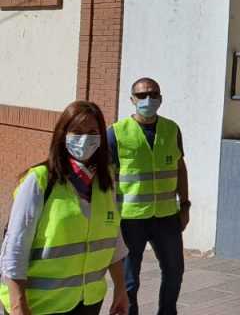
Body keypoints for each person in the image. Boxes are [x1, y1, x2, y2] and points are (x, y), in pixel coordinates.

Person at [0, 101, 130, 315]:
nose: (85, 138)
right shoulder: (40, 180)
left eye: (92, 131)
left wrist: (120, 289)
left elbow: (113, 241)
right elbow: (15, 248)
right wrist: (18, 305)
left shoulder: (105, 182)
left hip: (88, 302)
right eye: (77, 131)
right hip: (39, 305)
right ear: (62, 135)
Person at [108, 78, 189, 315]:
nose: (148, 100)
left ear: (161, 99)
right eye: (141, 95)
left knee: (175, 271)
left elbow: (179, 167)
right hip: (130, 219)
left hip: (166, 217)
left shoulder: (172, 129)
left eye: (153, 95)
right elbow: (107, 178)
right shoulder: (115, 133)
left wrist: (185, 205)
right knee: (129, 281)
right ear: (132, 99)